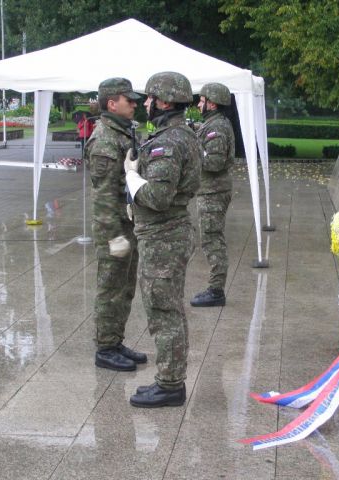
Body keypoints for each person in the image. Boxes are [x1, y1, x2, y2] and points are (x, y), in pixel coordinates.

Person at [125, 72, 201, 408]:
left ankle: (170, 385)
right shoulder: (177, 135)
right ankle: (170, 379)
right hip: (166, 233)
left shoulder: (168, 142)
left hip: (163, 237)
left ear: (165, 102)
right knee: (168, 309)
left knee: (163, 312)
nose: (146, 103)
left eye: (150, 98)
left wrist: (131, 176)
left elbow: (157, 197)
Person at [85, 77, 147, 371]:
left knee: (125, 288)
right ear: (112, 103)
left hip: (127, 223)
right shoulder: (105, 140)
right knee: (111, 289)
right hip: (115, 229)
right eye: (128, 99)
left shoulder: (123, 132)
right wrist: (113, 237)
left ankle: (115, 340)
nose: (134, 104)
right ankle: (105, 347)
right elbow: (104, 196)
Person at [189, 83, 235, 307]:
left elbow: (214, 162)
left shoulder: (216, 127)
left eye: (202, 100)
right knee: (211, 238)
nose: (199, 104)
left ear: (213, 103)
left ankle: (216, 291)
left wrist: (192, 150)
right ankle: (216, 288)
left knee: (212, 240)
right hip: (211, 190)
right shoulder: (214, 124)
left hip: (213, 192)